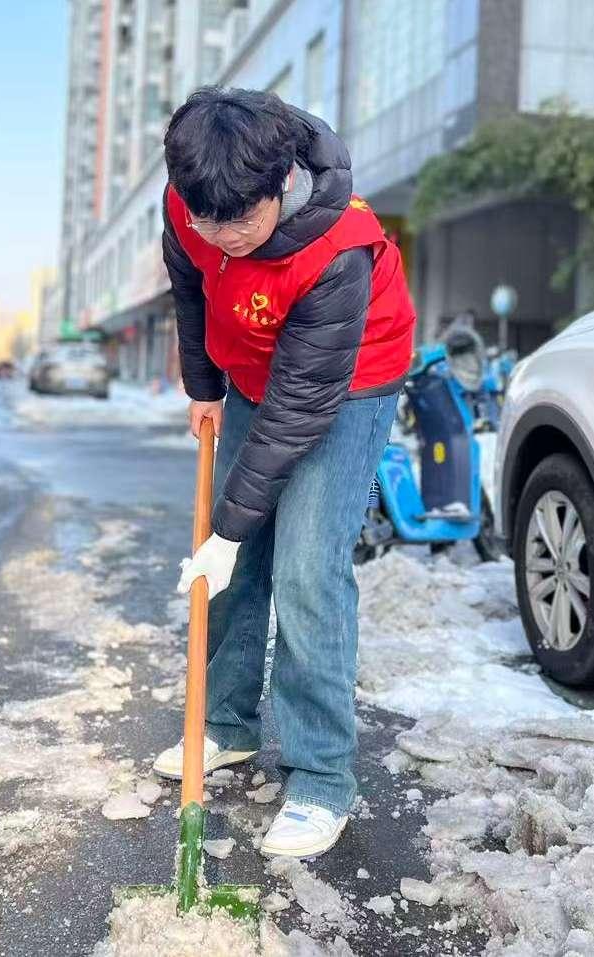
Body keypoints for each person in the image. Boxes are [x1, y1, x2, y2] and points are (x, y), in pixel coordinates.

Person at [156, 88, 417, 858]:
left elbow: (301, 408)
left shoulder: (339, 248)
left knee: (305, 566)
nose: (221, 237)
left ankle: (322, 777)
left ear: (279, 186)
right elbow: (189, 287)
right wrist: (203, 385)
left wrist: (232, 529)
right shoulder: (193, 202)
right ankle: (227, 724)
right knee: (230, 563)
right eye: (207, 219)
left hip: (345, 381)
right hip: (251, 374)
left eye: (240, 221)